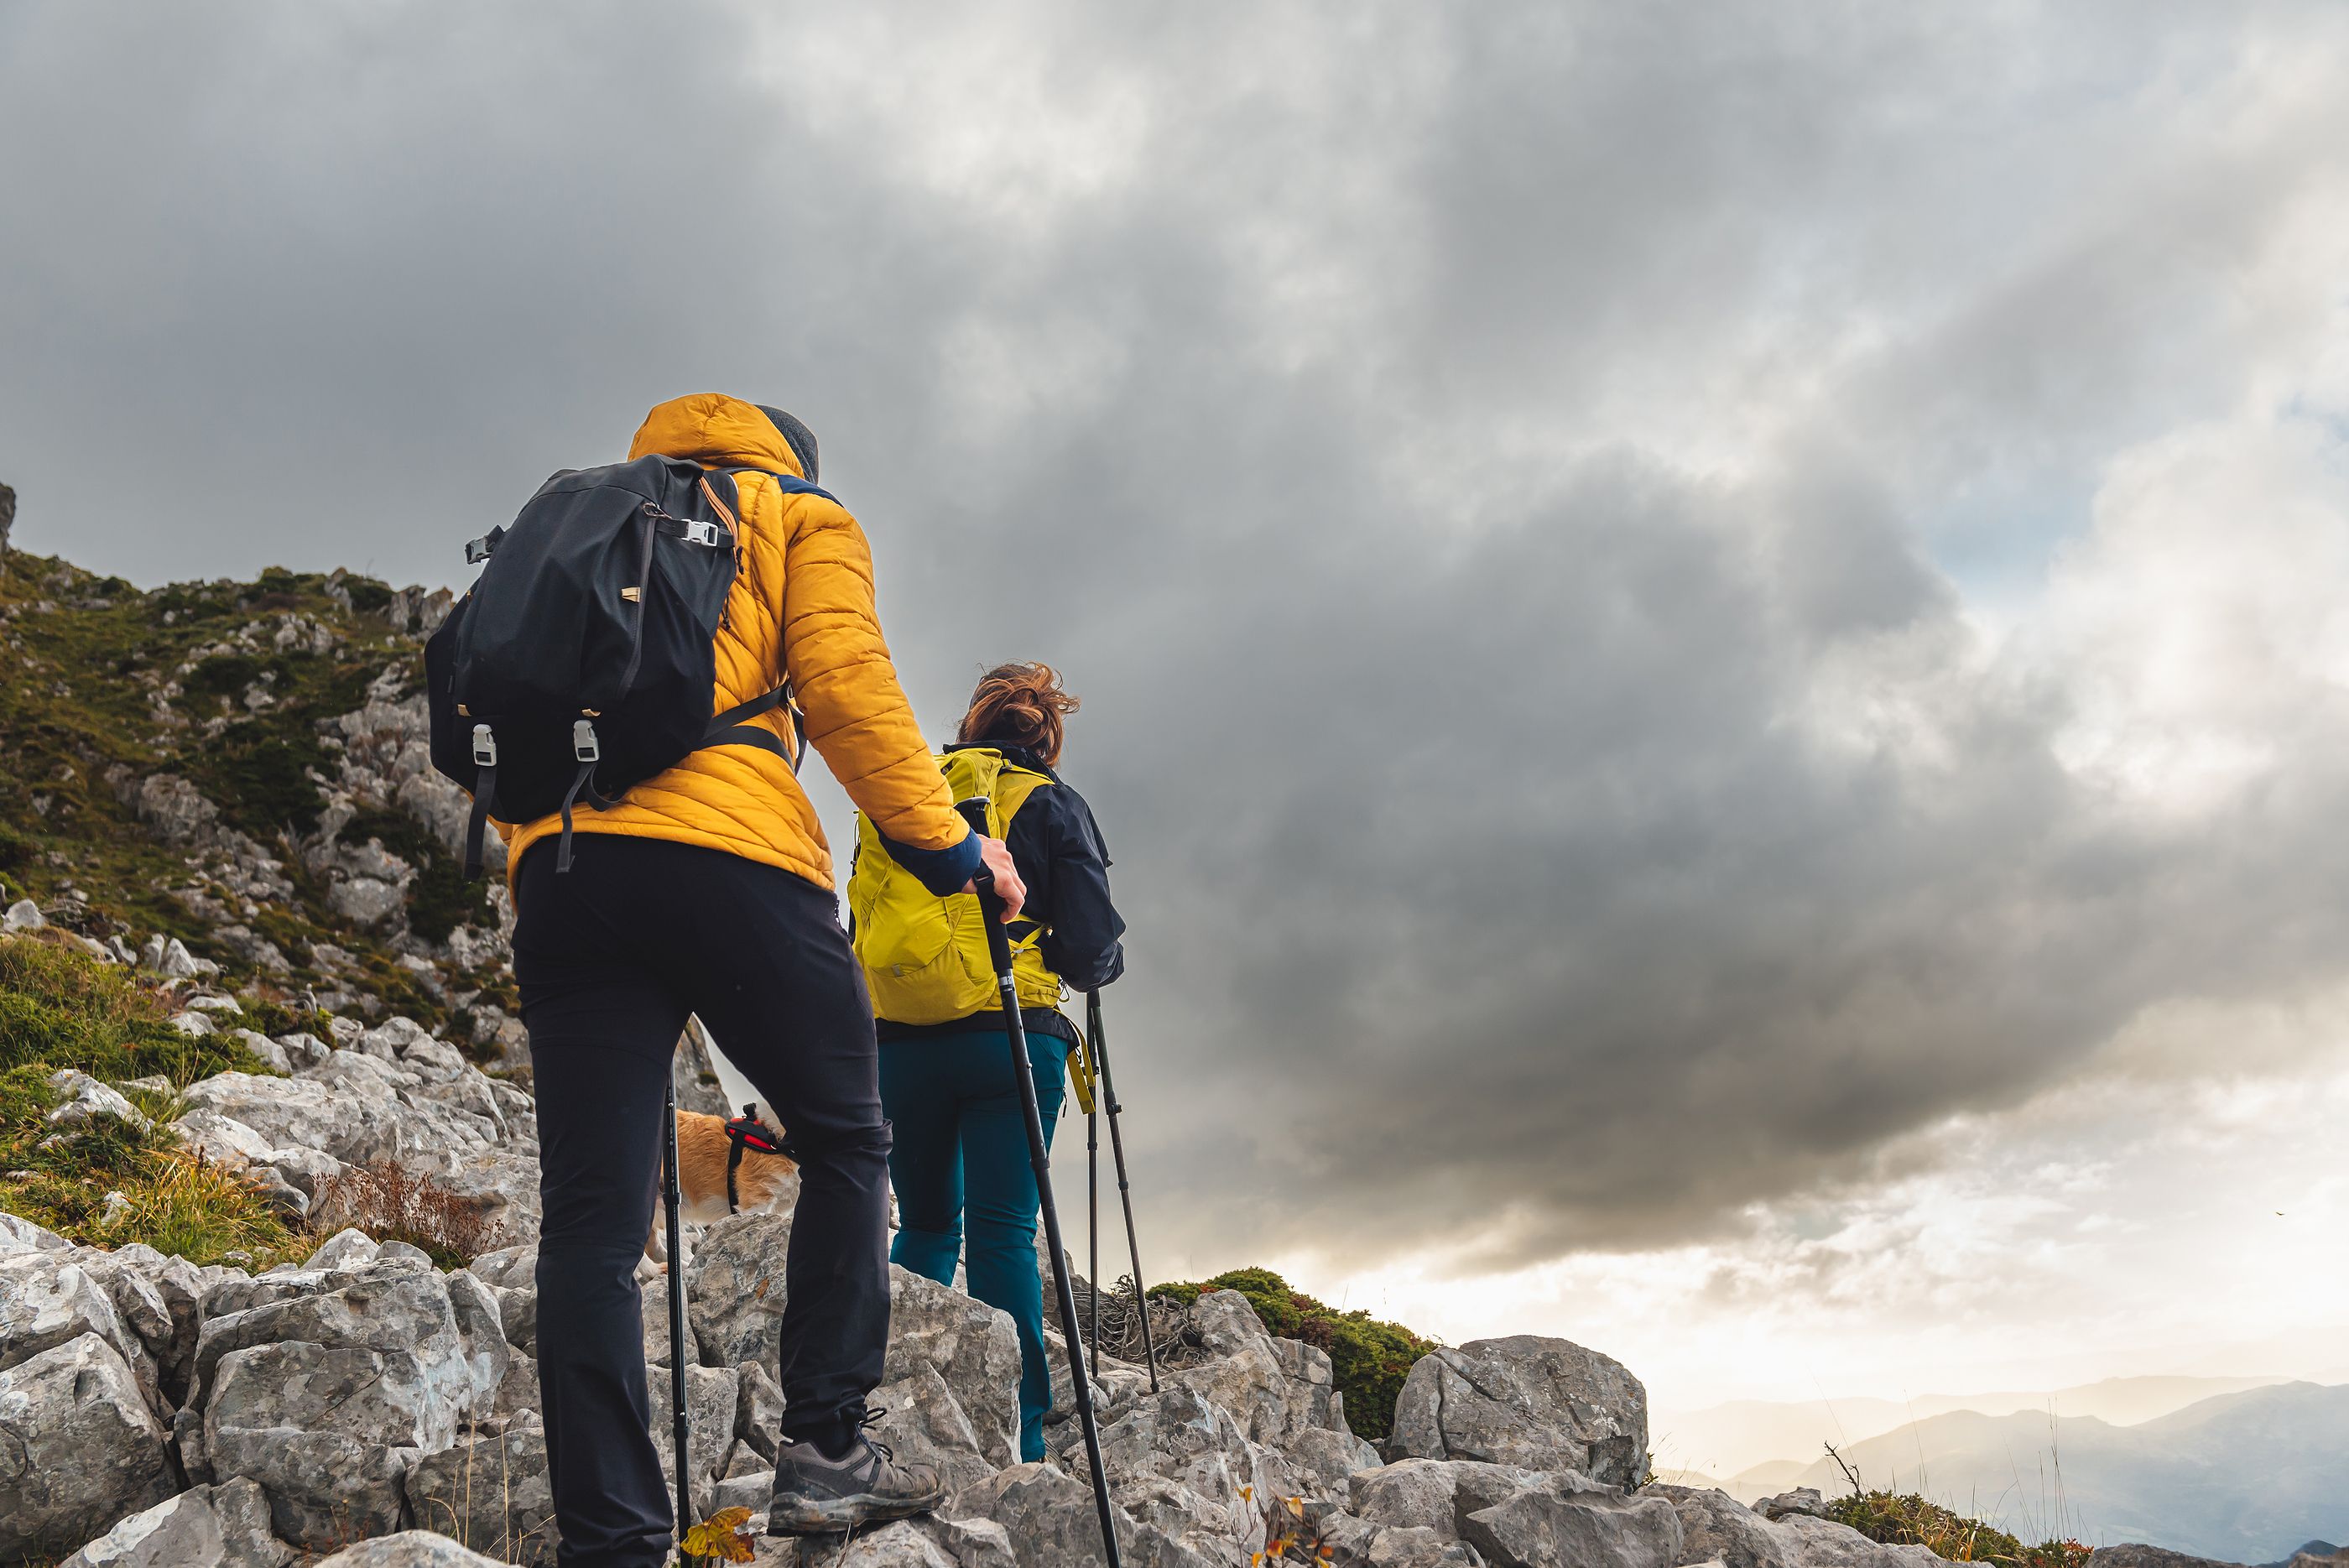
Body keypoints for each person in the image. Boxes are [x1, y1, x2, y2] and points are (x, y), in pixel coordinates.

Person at [501, 393, 1029, 1561]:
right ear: (791, 453)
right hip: (732, 856)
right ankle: (827, 1453)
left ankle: (615, 1539)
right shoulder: (792, 511)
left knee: (591, 1218)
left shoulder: (577, 514)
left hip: (562, 868)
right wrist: (953, 848)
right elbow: (845, 682)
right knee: (848, 1134)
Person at [867, 662, 1126, 1464]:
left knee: (928, 1225)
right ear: (1046, 736)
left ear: (972, 725)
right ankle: (1021, 1432)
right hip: (1010, 1034)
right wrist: (1101, 964)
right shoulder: (1052, 802)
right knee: (1004, 1230)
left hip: (899, 1036)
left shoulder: (909, 791)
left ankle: (878, 1405)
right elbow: (1087, 950)